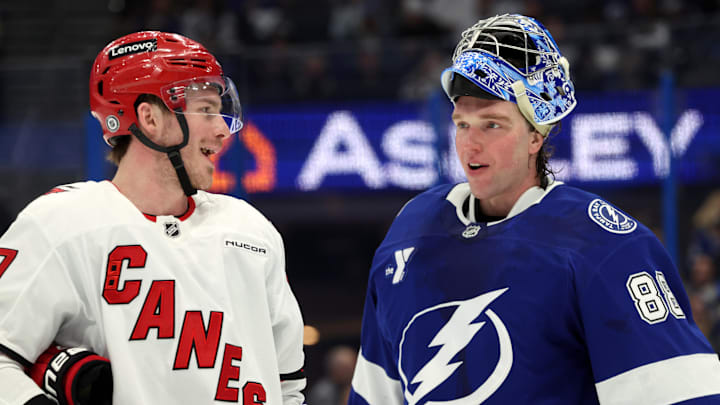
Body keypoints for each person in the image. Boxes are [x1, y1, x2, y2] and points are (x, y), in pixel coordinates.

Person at [348, 13, 720, 404]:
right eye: (462, 124)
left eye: (492, 124)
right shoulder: (409, 231)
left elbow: (683, 397)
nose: (470, 145)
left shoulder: (605, 246)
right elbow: (375, 395)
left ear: (536, 136)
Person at [0, 31, 307, 404]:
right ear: (149, 117)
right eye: (206, 110)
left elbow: (288, 386)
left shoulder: (253, 232)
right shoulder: (61, 224)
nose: (223, 130)